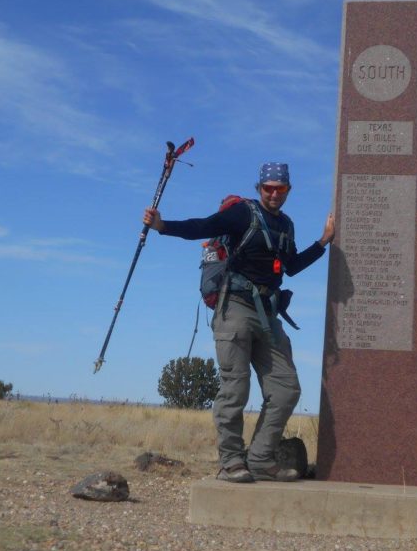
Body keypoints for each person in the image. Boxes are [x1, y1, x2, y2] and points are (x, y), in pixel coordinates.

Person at [143, 162, 335, 482]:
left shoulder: (286, 225)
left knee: (286, 389)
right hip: (235, 308)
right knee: (236, 388)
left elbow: (292, 266)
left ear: (288, 190)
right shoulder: (243, 213)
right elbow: (202, 226)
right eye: (268, 188)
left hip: (268, 314)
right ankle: (231, 461)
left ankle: (260, 458)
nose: (273, 194)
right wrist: (163, 226)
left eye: (280, 189)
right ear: (259, 188)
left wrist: (323, 241)